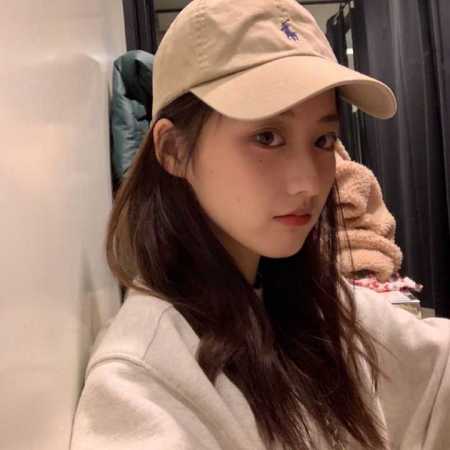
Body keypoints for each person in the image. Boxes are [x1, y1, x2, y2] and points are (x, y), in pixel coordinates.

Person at [69, 0, 450, 449]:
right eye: (267, 137)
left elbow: (434, 370)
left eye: (323, 139)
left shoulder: (318, 305)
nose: (309, 182)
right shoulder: (145, 382)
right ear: (173, 150)